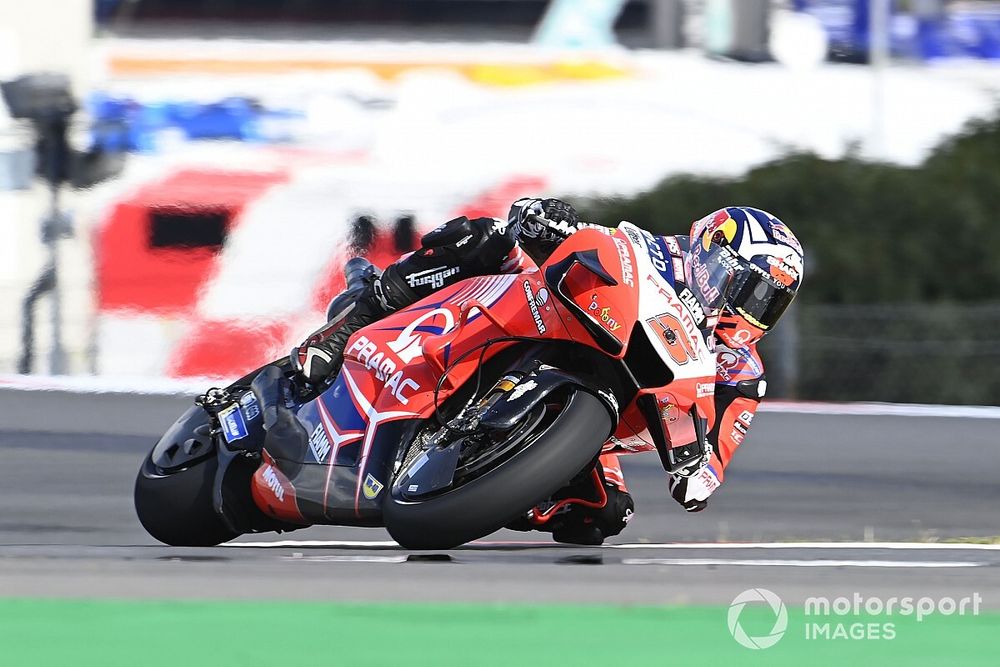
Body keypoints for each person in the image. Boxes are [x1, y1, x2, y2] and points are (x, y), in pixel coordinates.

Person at [292, 200, 804, 545]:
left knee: (602, 517)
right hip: (536, 321)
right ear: (710, 256)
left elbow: (712, 463)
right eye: (746, 287)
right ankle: (356, 320)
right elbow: (573, 236)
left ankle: (493, 479)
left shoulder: (739, 371)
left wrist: (698, 471)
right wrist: (548, 222)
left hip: (597, 422)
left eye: (769, 303)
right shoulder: (654, 252)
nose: (751, 310)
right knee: (485, 237)